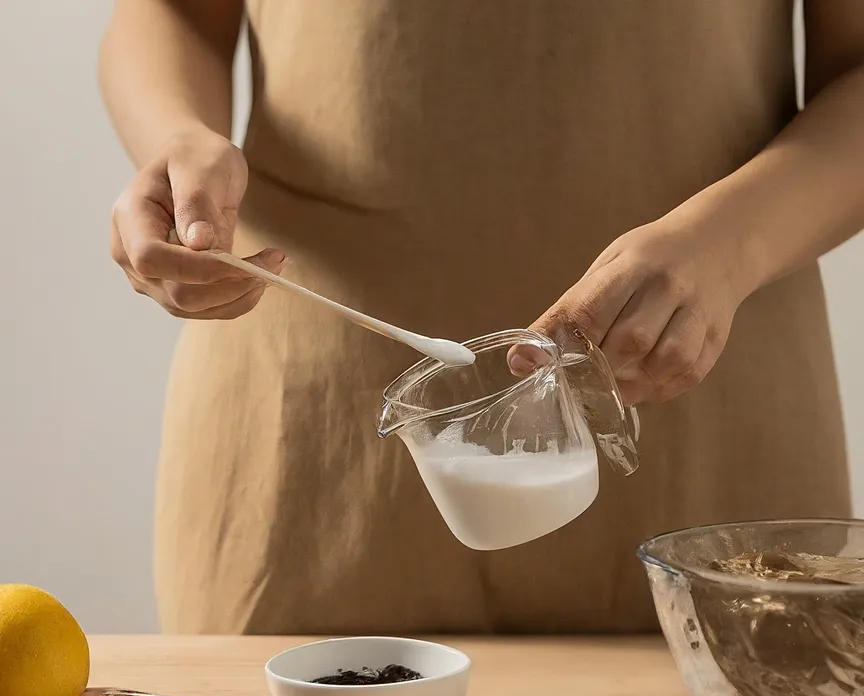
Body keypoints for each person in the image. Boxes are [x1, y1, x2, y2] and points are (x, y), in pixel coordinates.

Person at [100, 0, 864, 635]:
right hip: (314, 438)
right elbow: (174, 13)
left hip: (706, 407)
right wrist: (176, 140)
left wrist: (727, 248)